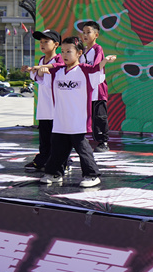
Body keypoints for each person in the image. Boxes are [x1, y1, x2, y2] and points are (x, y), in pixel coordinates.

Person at [37, 36, 116, 187]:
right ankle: (54, 173)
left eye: (69, 51)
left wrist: (105, 61)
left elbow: (97, 70)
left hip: (77, 119)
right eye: (63, 51)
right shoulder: (57, 71)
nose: (65, 54)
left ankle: (92, 175)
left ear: (79, 53)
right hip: (60, 119)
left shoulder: (85, 71)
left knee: (82, 147)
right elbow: (42, 79)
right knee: (58, 147)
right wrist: (40, 69)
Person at [20, 29, 64, 173]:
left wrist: (40, 70)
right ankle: (42, 160)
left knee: (57, 137)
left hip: (57, 105)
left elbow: (57, 73)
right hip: (45, 105)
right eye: (41, 42)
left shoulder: (59, 60)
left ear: (56, 44)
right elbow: (39, 78)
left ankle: (63, 161)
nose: (42, 44)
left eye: (46, 41)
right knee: (44, 135)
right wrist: (31, 71)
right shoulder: (41, 60)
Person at [78, 21, 110, 153]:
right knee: (84, 115)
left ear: (96, 34)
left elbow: (96, 67)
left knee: (99, 116)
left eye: (88, 32)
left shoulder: (98, 49)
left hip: (97, 89)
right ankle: (82, 138)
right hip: (84, 90)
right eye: (83, 33)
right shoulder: (82, 51)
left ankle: (103, 142)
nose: (85, 35)